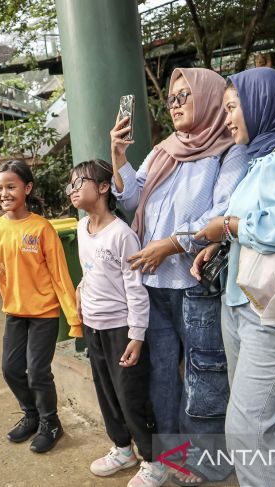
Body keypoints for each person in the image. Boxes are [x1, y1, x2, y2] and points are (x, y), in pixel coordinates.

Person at [109, 67, 248, 486]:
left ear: (207, 97)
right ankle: (170, 457)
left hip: (195, 284)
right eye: (172, 99)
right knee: (163, 374)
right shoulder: (162, 150)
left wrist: (171, 243)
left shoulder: (228, 151)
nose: (177, 105)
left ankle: (207, 460)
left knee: (205, 374)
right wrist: (119, 158)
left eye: (185, 96)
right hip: (153, 284)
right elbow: (132, 197)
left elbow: (221, 214)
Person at [193, 67, 275, 486]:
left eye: (233, 107)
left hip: (274, 313)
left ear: (260, 105)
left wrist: (226, 227)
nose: (228, 117)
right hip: (241, 304)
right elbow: (252, 222)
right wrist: (220, 243)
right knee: (263, 420)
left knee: (248, 427)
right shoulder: (261, 158)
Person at [0, 160, 82, 454]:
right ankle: (32, 415)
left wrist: (73, 318)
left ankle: (51, 423)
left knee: (37, 371)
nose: (4, 193)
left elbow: (61, 277)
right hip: (14, 314)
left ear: (27, 188)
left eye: (11, 186)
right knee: (11, 370)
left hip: (44, 314)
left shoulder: (42, 229)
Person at [67, 159, 162, 487]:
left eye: (80, 183)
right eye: (71, 184)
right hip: (93, 325)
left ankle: (153, 460)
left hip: (120, 329)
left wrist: (136, 336)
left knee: (130, 394)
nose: (73, 189)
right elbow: (90, 269)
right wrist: (81, 290)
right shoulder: (81, 228)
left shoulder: (122, 235)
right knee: (106, 390)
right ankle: (123, 449)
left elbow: (135, 290)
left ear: (104, 188)